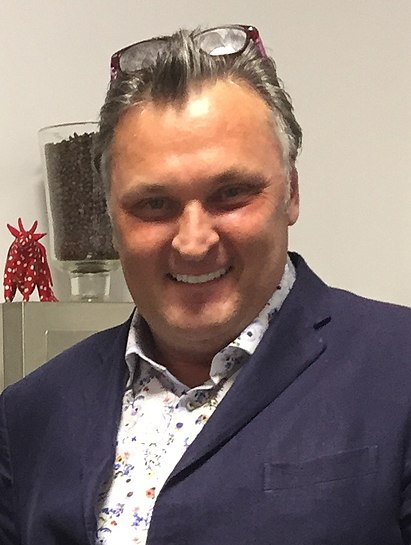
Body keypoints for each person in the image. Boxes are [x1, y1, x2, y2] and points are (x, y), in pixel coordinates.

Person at [1, 24, 411, 545]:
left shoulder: (398, 369)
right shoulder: (30, 413)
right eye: (154, 204)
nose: (193, 242)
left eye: (231, 193)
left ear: (291, 193)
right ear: (110, 217)